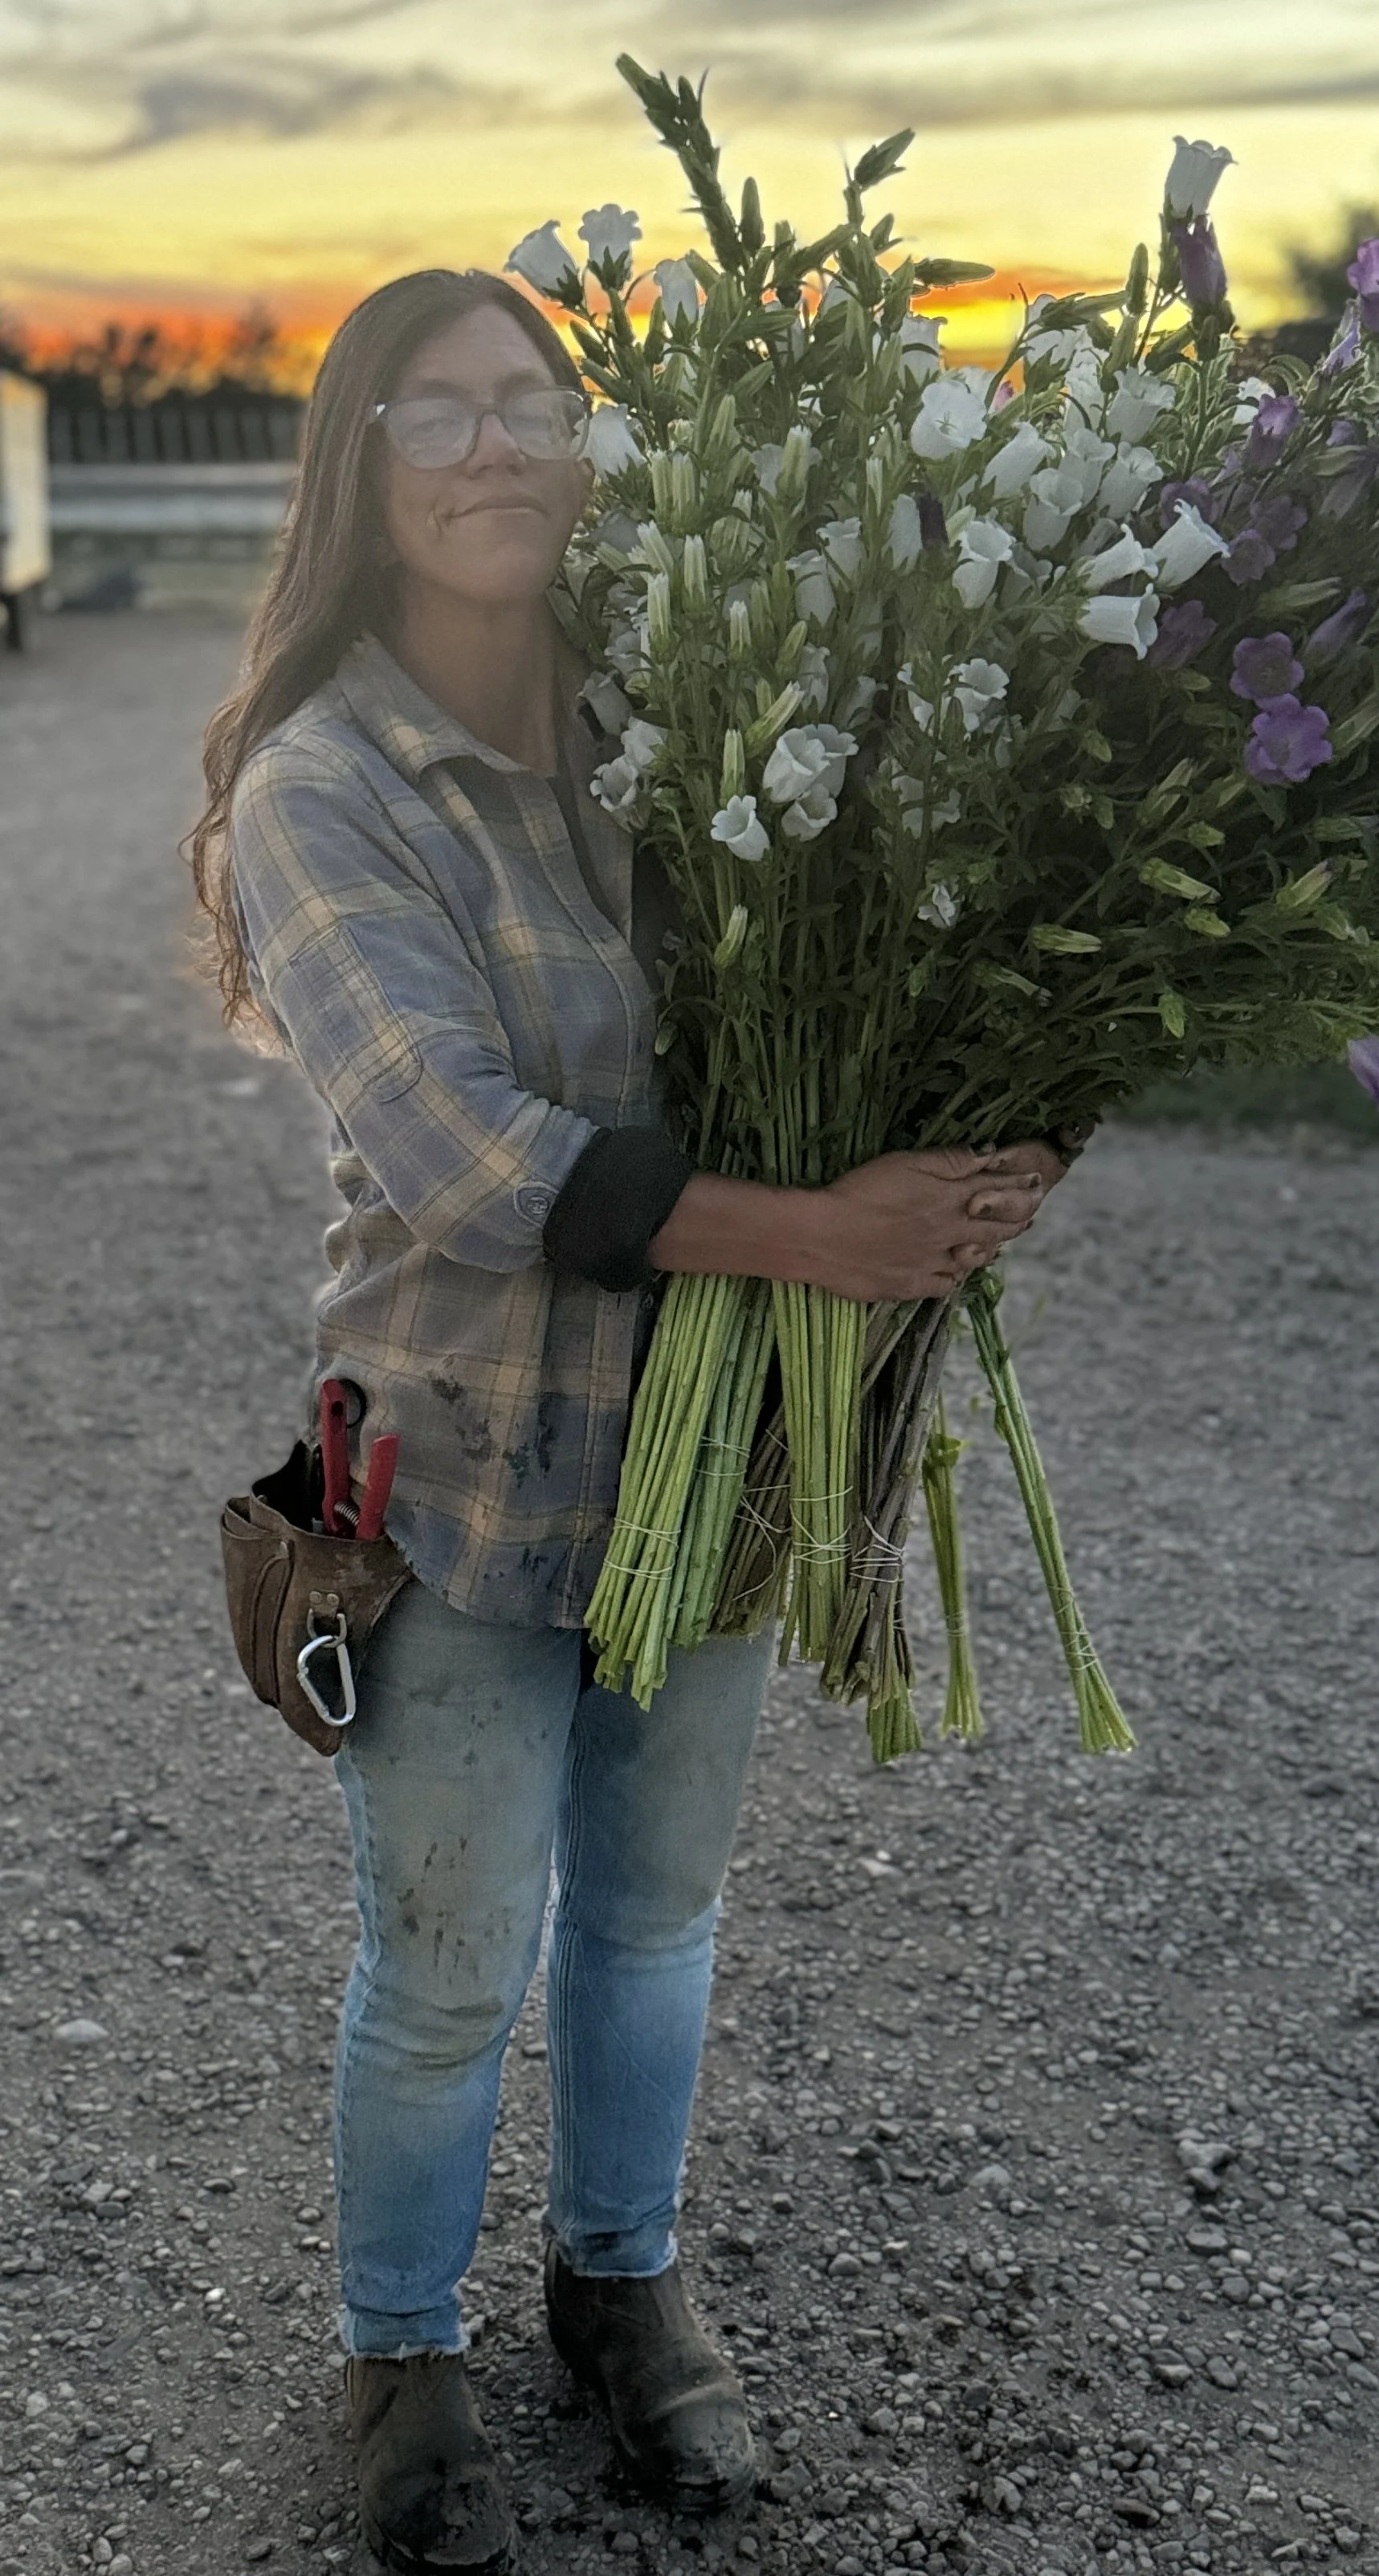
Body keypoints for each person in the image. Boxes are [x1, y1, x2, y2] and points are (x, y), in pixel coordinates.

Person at [186, 267, 1066, 2575]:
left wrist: (978, 1146)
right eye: (434, 411)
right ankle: (402, 2343)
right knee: (454, 1939)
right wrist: (825, 1232)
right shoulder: (324, 783)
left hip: (719, 1448)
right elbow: (466, 1152)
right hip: (459, 1460)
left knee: (657, 1918)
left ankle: (618, 2285)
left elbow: (859, 1003)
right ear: (359, 477)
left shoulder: (699, 721)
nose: (495, 445)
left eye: (533, 402)